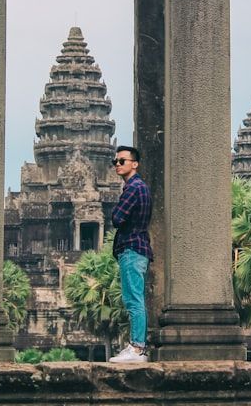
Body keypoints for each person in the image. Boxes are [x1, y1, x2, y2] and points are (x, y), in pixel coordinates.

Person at [108, 145, 153, 363]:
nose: (117, 164)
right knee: (132, 298)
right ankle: (136, 346)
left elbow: (117, 218)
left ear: (134, 164)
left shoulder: (134, 188)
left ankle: (137, 348)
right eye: (115, 161)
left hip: (132, 248)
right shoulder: (138, 187)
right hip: (137, 248)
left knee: (134, 299)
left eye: (122, 161)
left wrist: (116, 212)